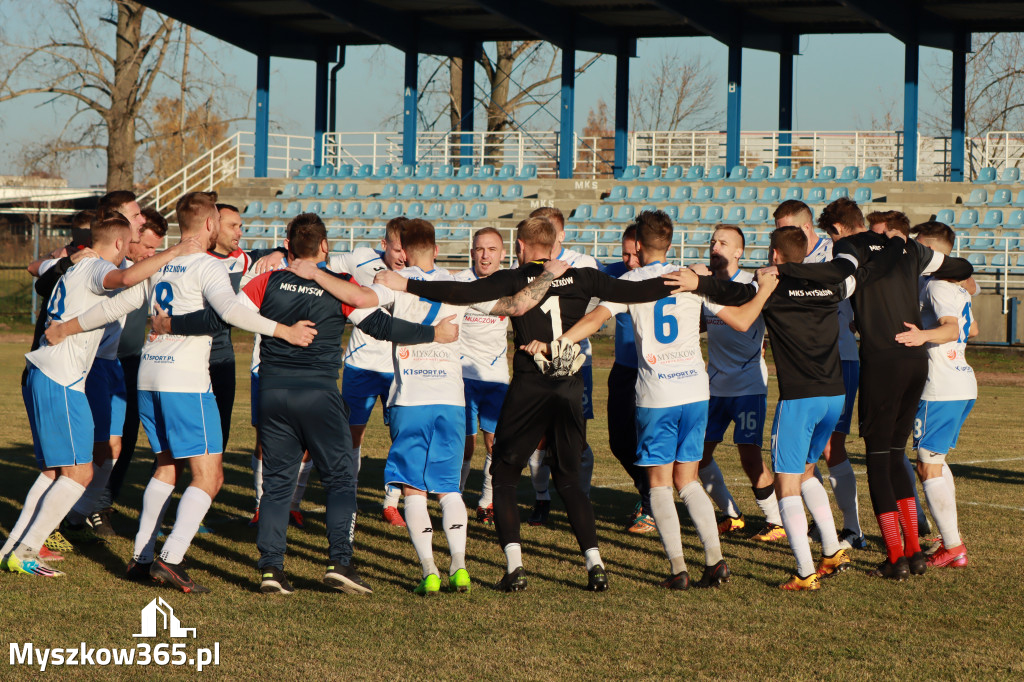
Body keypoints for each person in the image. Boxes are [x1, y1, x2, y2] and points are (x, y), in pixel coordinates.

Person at [375, 216, 682, 592]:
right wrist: (690, 280)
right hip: (568, 385)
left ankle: (515, 568)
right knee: (570, 481)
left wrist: (404, 282)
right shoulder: (584, 275)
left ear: (520, 246)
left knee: (503, 475)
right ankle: (596, 565)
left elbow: (460, 294)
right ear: (554, 244)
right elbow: (636, 291)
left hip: (529, 386)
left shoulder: (516, 277)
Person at [44, 191, 317, 593]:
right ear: (210, 225)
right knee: (210, 476)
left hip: (150, 375)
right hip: (185, 382)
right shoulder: (207, 266)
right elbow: (231, 312)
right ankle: (170, 558)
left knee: (167, 466)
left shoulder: (161, 264)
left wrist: (66, 327)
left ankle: (141, 556)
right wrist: (285, 331)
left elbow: (116, 305)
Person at [228, 213, 458, 595]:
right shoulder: (340, 287)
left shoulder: (267, 279)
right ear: (324, 247)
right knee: (338, 478)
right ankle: (340, 562)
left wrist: (280, 330)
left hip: (272, 393)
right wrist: (433, 333)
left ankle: (271, 569)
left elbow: (231, 310)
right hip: (318, 393)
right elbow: (381, 327)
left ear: (287, 245)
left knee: (278, 484)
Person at [545, 210, 775, 589]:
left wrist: (561, 342)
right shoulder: (690, 279)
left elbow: (596, 319)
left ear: (637, 245)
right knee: (689, 480)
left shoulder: (630, 281)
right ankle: (715, 561)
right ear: (670, 243)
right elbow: (743, 320)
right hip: (696, 391)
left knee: (659, 484)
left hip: (658, 394)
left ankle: (678, 569)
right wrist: (764, 290)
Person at [685, 225, 903, 590]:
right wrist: (895, 245)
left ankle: (804, 572)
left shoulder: (769, 287)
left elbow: (729, 292)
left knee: (788, 485)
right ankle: (832, 550)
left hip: (799, 398)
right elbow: (868, 272)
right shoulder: (833, 285)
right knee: (806, 472)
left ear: (774, 255)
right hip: (834, 395)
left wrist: (695, 281)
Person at [772, 197, 974, 580]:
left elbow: (836, 276)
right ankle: (914, 551)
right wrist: (919, 256)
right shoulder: (909, 248)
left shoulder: (851, 248)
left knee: (880, 460)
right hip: (917, 360)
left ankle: (896, 557)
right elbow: (962, 267)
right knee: (896, 455)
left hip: (882, 360)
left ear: (837, 231)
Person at [1, 215, 202, 577]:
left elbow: (113, 305)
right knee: (78, 473)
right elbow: (123, 279)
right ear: (121, 244)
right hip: (59, 378)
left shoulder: (81, 266)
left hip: (50, 373)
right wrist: (176, 251)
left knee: (54, 472)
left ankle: (14, 547)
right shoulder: (96, 267)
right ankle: (26, 550)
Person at [250, 218, 411, 526]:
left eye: (409, 249)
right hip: (360, 366)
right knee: (346, 439)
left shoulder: (419, 276)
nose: (403, 256)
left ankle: (391, 503)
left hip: (399, 365)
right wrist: (276, 251)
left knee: (402, 436)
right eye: (399, 248)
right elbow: (308, 255)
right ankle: (300, 505)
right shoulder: (357, 259)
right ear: (384, 245)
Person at [775, 200, 865, 548]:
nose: (783, 236)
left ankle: (853, 528)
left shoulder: (837, 256)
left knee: (831, 446)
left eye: (789, 228)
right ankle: (822, 525)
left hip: (840, 359)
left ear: (807, 228)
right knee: (811, 454)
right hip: (804, 365)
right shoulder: (788, 260)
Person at [895, 221, 976, 569]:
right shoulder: (957, 288)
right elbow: (973, 328)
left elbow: (951, 328)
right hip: (960, 381)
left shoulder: (939, 284)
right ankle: (950, 539)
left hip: (940, 387)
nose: (917, 253)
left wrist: (922, 337)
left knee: (927, 468)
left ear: (936, 252)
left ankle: (954, 547)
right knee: (936, 462)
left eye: (922, 247)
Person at [697, 224, 786, 542]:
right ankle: (732, 515)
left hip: (749, 385)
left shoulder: (753, 284)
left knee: (749, 454)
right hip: (714, 385)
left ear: (739, 252)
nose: (715, 246)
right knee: (700, 455)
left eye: (723, 242)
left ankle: (775, 521)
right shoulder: (704, 286)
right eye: (712, 241)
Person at [94, 206, 169, 537]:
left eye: (156, 250)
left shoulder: (150, 272)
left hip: (133, 364)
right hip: (98, 363)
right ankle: (86, 507)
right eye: (148, 247)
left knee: (123, 438)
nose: (151, 254)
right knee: (96, 439)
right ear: (131, 240)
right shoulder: (109, 271)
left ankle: (103, 503)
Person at [524, 206, 601, 526]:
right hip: (536, 361)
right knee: (537, 437)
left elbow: (588, 311)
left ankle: (577, 500)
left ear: (561, 234)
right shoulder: (528, 265)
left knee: (574, 437)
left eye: (550, 231)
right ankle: (542, 499)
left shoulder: (582, 263)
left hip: (573, 362)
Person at [454, 227, 511, 525]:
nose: (485, 255)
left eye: (491, 249)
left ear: (503, 254)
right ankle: (456, 497)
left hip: (495, 377)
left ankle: (486, 501)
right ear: (472, 252)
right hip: (462, 376)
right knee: (465, 443)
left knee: (494, 442)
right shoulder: (460, 281)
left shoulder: (510, 283)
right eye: (479, 249)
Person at [601, 225, 654, 533]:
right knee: (619, 442)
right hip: (623, 370)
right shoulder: (613, 273)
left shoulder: (661, 278)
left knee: (648, 441)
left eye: (635, 255)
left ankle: (651, 505)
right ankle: (649, 493)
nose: (630, 261)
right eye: (625, 254)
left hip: (652, 372)